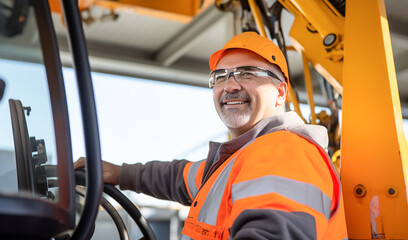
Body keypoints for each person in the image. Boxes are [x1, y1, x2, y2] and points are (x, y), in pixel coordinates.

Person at [75, 31, 348, 239]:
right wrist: (119, 173)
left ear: (280, 92)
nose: (230, 86)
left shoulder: (284, 152)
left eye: (247, 73)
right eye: (220, 76)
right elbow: (177, 178)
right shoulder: (236, 161)